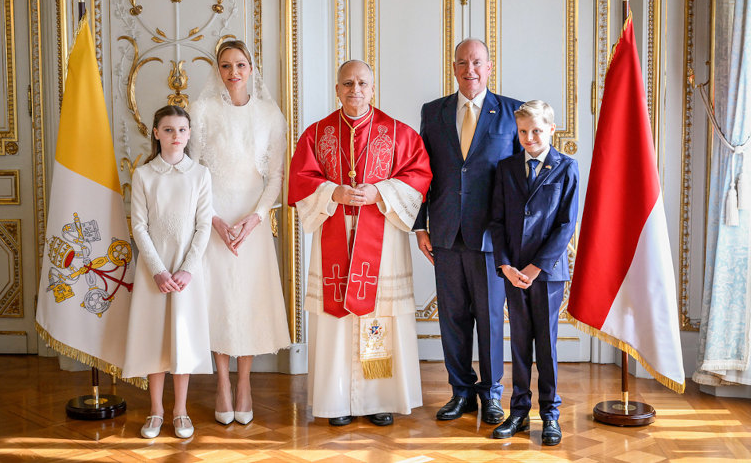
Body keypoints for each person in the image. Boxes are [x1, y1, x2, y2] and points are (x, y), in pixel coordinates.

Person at [288, 59, 432, 426]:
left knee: (377, 315)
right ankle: (336, 400)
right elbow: (301, 179)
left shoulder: (398, 133)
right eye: (348, 83)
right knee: (336, 319)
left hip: (382, 240)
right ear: (337, 89)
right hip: (333, 231)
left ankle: (377, 399)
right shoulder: (317, 133)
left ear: (373, 88)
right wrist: (332, 192)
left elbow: (419, 176)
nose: (355, 90)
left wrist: (380, 192)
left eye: (362, 83)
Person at [414, 38, 522, 424]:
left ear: (489, 67)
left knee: (490, 319)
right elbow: (422, 173)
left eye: (477, 62)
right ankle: (461, 392)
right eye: (462, 62)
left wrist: (515, 237)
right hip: (444, 233)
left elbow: (520, 180)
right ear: (454, 68)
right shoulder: (433, 112)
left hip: (492, 238)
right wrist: (420, 225)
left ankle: (491, 394)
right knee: (453, 319)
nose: (469, 70)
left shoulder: (512, 112)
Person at [189, 39, 291, 426]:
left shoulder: (269, 114)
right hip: (213, 217)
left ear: (251, 69)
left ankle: (244, 382)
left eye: (240, 65)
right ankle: (222, 383)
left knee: (247, 299)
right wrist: (212, 219)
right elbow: (193, 171)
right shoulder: (201, 111)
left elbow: (276, 176)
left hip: (252, 222)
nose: (234, 72)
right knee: (217, 297)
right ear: (218, 70)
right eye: (226, 65)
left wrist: (255, 218)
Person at [488, 100, 579, 446]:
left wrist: (536, 266)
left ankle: (550, 414)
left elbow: (565, 225)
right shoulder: (506, 168)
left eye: (536, 131)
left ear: (551, 129)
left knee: (546, 345)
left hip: (547, 273)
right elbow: (497, 221)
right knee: (520, 342)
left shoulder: (566, 168)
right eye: (523, 131)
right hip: (513, 272)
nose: (529, 138)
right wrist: (506, 265)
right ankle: (519, 412)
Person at [124, 105, 213, 439]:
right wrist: (158, 270)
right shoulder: (144, 175)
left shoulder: (200, 174)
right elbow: (139, 226)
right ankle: (156, 411)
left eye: (182, 130)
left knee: (182, 337)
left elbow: (204, 226)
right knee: (154, 337)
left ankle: (180, 411)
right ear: (156, 133)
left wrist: (187, 270)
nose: (176, 136)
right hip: (154, 270)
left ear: (189, 134)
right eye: (169, 130)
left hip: (187, 271)